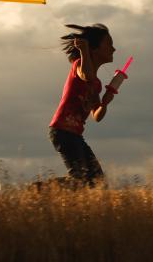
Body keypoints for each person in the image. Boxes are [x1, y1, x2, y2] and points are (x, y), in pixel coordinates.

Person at [47, 23, 117, 188]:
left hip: (75, 135)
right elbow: (86, 76)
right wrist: (84, 51)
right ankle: (38, 189)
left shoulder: (97, 84)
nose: (114, 49)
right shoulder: (79, 65)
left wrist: (105, 102)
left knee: (97, 182)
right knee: (79, 179)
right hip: (62, 132)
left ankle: (41, 190)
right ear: (95, 48)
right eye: (109, 44)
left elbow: (96, 116)